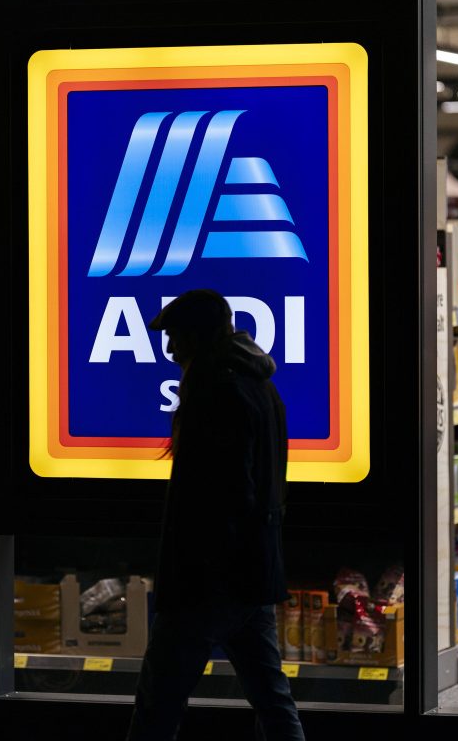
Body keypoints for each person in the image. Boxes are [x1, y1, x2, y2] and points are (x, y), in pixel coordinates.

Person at [126, 289, 305, 741]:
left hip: (208, 581)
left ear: (199, 336)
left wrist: (196, 574)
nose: (169, 350)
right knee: (272, 698)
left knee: (158, 703)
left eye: (176, 338)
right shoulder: (260, 384)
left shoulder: (215, 391)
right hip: (253, 571)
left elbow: (220, 494)